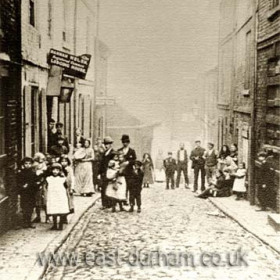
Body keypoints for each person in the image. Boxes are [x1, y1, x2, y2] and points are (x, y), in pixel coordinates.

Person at [46, 163, 70, 230]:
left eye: (57, 170)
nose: (55, 171)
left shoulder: (62, 179)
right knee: (54, 210)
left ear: (60, 171)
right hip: (52, 196)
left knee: (61, 210)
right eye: (53, 170)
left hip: (60, 196)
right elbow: (46, 187)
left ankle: (60, 225)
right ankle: (55, 224)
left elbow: (66, 187)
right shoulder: (49, 179)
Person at [17, 157, 39, 228]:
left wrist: (33, 185)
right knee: (24, 207)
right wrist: (22, 186)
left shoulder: (33, 173)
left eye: (29, 163)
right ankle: (25, 222)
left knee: (31, 207)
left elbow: (35, 182)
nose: (28, 165)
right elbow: (18, 182)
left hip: (31, 193)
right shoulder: (20, 173)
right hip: (24, 193)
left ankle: (29, 222)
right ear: (23, 164)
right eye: (26, 163)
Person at [118, 135, 137, 204]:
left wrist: (128, 162)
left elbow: (134, 160)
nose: (124, 143)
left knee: (129, 186)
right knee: (122, 186)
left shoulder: (132, 151)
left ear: (128, 142)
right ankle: (123, 199)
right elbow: (117, 160)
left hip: (129, 171)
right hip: (122, 172)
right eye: (123, 142)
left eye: (126, 142)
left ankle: (130, 200)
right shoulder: (119, 150)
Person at [99, 136, 115, 209]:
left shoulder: (113, 153)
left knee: (110, 187)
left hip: (110, 172)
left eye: (108, 144)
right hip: (103, 173)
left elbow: (115, 163)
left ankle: (111, 203)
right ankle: (104, 204)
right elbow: (101, 163)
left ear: (111, 144)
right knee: (103, 188)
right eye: (105, 144)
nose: (106, 145)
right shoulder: (104, 152)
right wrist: (99, 173)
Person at [32, 152, 48, 223]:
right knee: (37, 202)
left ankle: (47, 217)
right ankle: (38, 216)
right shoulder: (34, 166)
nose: (42, 160)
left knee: (45, 201)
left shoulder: (44, 165)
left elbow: (46, 175)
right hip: (37, 186)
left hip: (44, 185)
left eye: (43, 159)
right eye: (40, 159)